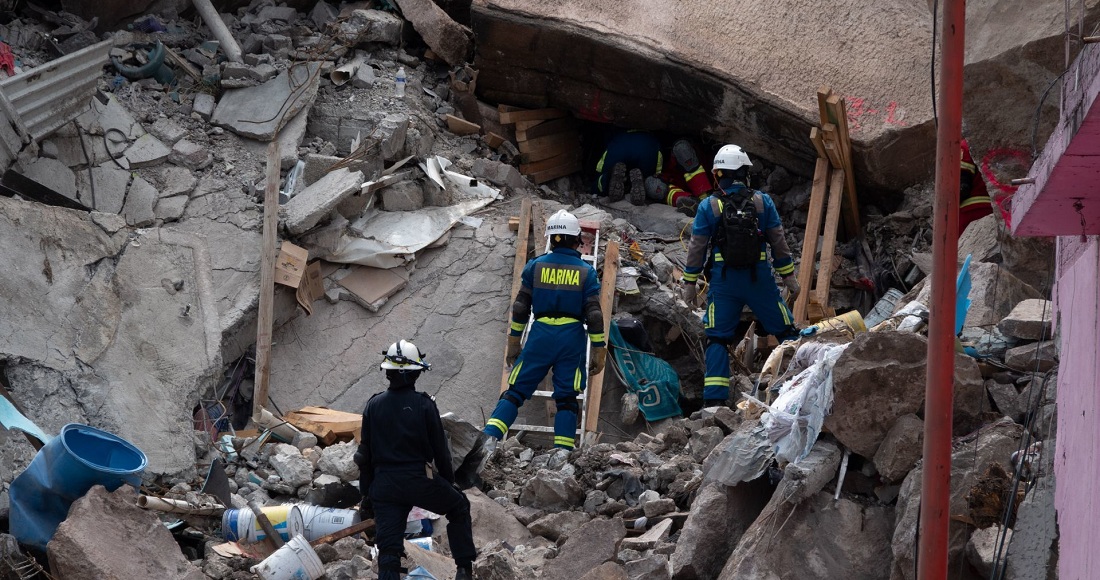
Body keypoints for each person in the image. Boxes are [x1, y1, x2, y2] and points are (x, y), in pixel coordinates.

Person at [681, 144, 800, 406]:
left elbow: (697, 247)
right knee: (786, 331)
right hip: (759, 279)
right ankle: (800, 384)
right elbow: (778, 241)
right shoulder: (761, 201)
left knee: (717, 338)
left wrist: (690, 282)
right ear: (743, 172)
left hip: (724, 282)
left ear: (719, 174)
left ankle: (713, 405)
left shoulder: (709, 206)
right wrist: (789, 276)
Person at [483, 209, 606, 450]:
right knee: (568, 399)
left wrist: (514, 341)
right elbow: (594, 314)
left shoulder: (534, 267)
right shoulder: (586, 272)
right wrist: (599, 348)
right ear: (576, 239)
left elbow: (520, 309)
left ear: (551, 238)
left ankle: (487, 440)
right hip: (572, 338)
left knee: (515, 392)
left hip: (540, 336)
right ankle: (562, 455)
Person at [354, 340, 475, 580]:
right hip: (419, 481)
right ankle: (464, 571)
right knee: (459, 506)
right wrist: (449, 482)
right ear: (415, 374)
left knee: (388, 546)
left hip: (384, 486)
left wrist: (366, 495)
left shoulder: (373, 405)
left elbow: (363, 457)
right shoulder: (424, 405)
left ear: (388, 372)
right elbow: (441, 452)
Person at [643, 139, 714, 215]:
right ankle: (694, 204)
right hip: (676, 184)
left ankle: (705, 201)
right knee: (651, 185)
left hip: (705, 182)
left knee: (682, 149)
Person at [595, 131, 662, 205]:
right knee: (650, 179)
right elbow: (658, 173)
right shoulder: (653, 139)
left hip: (619, 145)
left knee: (602, 179)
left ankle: (610, 178)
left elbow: (599, 168)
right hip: (648, 147)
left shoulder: (617, 135)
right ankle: (640, 182)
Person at [959, 138, 993, 235]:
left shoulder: (966, 145)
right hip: (997, 211)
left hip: (969, 211)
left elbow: (962, 186)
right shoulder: (1005, 143)